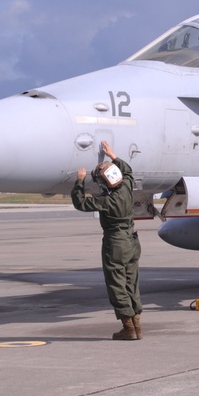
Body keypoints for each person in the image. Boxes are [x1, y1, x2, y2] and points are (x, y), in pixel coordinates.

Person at [71, 140, 143, 340]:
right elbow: (127, 171)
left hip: (116, 243)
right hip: (132, 241)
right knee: (131, 282)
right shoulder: (127, 187)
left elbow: (80, 203)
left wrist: (80, 181)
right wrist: (113, 155)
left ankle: (128, 327)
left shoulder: (108, 201)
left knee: (117, 284)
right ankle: (137, 326)